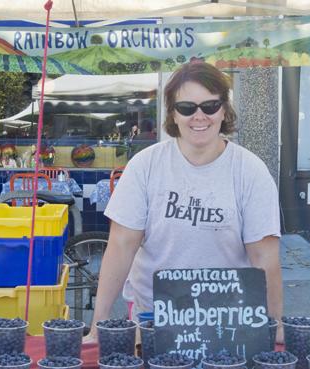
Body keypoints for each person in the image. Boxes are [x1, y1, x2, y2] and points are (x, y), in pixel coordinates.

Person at [86, 62, 284, 342]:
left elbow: (264, 256)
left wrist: (274, 326)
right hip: (153, 318)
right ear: (173, 114)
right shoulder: (145, 165)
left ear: (224, 110)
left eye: (210, 106)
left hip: (226, 321)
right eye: (187, 108)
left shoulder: (250, 170)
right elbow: (120, 245)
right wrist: (98, 326)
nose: (199, 116)